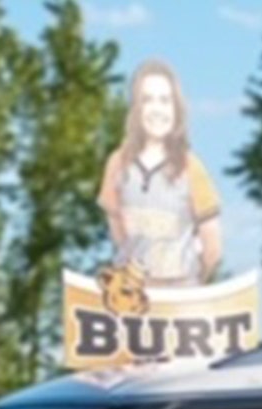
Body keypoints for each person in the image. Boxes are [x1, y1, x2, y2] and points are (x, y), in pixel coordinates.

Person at [97, 59, 223, 287]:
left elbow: (212, 248)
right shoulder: (117, 163)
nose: (157, 109)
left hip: (180, 298)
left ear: (176, 109)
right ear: (136, 108)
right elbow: (118, 232)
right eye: (148, 100)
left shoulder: (192, 168)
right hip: (134, 296)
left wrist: (192, 285)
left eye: (165, 101)